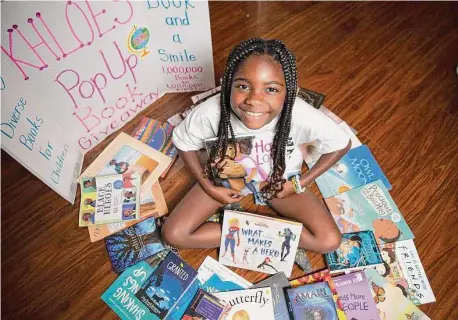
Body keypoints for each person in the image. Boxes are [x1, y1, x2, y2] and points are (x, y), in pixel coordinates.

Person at [162, 38, 350, 259]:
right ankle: (260, 231)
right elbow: (184, 142)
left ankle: (259, 232)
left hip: (278, 181)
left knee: (329, 241)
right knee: (173, 234)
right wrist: (208, 186)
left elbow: (341, 144)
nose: (254, 100)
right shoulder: (210, 112)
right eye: (243, 86)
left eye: (271, 89)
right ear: (228, 84)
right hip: (225, 178)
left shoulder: (299, 113)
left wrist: (298, 183)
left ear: (288, 92)